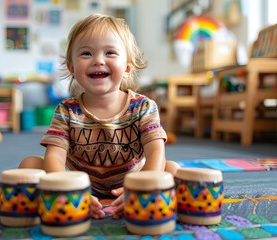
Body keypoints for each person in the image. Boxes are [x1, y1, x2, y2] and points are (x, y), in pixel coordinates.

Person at [18, 13, 180, 219]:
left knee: (173, 170)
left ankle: (143, 197)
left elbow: (156, 153)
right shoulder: (66, 110)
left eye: (110, 53)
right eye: (86, 54)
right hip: (77, 180)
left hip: (134, 180)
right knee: (29, 165)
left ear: (128, 67)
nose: (98, 60)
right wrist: (70, 189)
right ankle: (64, 197)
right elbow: (55, 156)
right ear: (72, 68)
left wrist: (142, 186)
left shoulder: (143, 107)